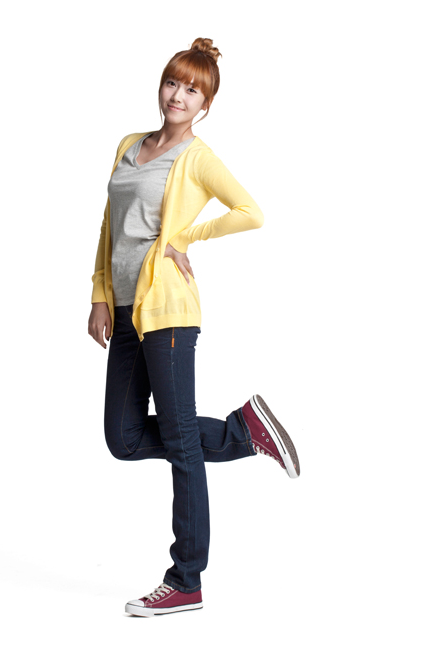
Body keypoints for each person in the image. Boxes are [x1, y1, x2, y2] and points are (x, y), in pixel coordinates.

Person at [88, 37, 301, 617]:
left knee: (182, 443)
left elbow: (251, 212)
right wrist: (100, 294)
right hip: (125, 311)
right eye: (172, 83)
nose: (178, 96)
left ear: (205, 104)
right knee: (123, 438)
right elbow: (110, 225)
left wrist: (186, 237)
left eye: (192, 90)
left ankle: (185, 580)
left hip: (170, 314)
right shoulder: (129, 145)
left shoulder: (197, 157)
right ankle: (243, 431)